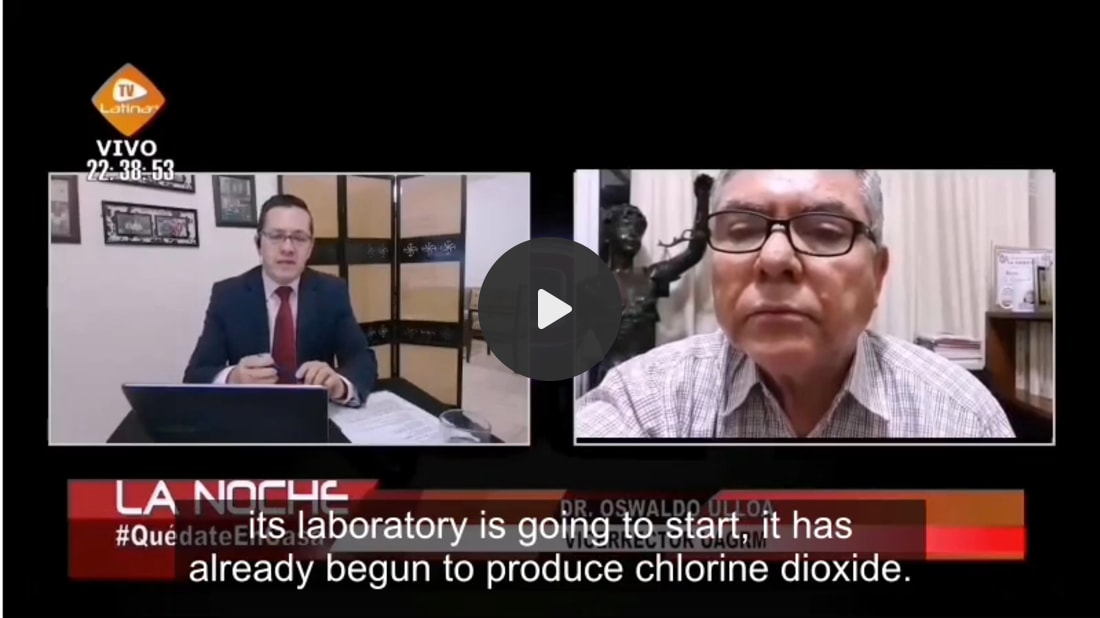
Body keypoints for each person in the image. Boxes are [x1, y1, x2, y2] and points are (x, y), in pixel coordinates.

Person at [576, 170, 1015, 439]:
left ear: (877, 275)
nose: (774, 258)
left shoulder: (960, 418)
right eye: (742, 230)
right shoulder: (644, 401)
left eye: (825, 231)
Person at [184, 194, 376, 406]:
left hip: (313, 413)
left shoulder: (332, 291)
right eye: (276, 236)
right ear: (259, 244)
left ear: (310, 247)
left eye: (299, 238)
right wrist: (233, 378)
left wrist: (339, 384)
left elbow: (361, 359)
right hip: (252, 413)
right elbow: (196, 374)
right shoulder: (228, 295)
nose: (287, 248)